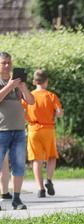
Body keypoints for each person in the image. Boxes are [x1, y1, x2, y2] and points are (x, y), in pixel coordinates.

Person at [0, 51, 35, 209]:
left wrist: (22, 87)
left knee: (19, 165)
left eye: (9, 63)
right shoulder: (6, 83)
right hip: (2, 130)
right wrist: (9, 86)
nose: (7, 66)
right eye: (3, 63)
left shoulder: (16, 82)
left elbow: (31, 101)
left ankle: (17, 199)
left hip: (19, 130)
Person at [22, 69, 63, 198]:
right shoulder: (51, 96)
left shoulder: (28, 96)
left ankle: (40, 189)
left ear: (34, 81)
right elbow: (59, 113)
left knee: (36, 159)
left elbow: (22, 113)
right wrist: (56, 113)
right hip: (48, 129)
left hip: (33, 129)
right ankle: (49, 180)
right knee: (51, 157)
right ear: (47, 81)